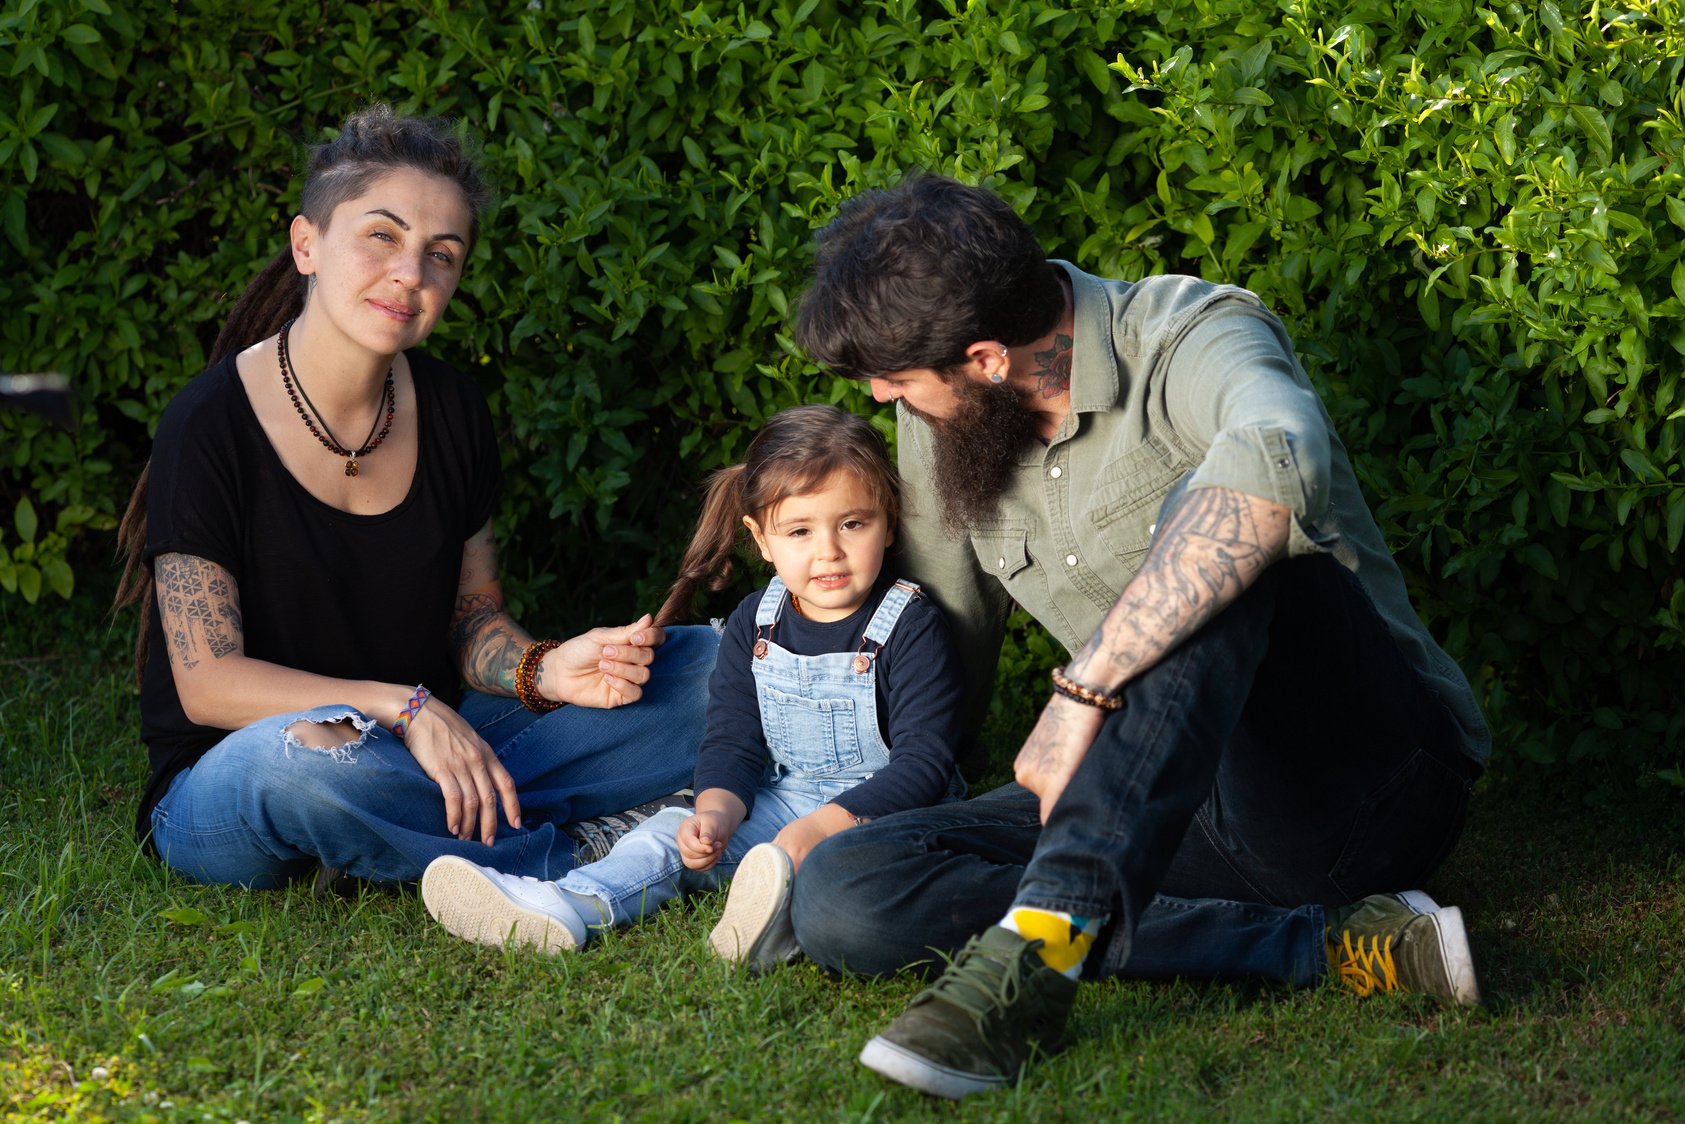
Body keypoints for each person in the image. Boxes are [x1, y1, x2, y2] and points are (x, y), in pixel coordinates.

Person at [787, 173, 1492, 1099]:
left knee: (1222, 521)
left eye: (896, 377)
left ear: (988, 357)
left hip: (1353, 789)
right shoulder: (944, 417)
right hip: (1143, 813)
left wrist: (1086, 684)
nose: (882, 398)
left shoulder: (1188, 334)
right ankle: (1332, 944)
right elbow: (932, 641)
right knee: (847, 890)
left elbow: (1281, 455)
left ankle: (1043, 943)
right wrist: (799, 797)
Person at [112, 105, 718, 891]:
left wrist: (549, 670)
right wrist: (406, 707)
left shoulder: (453, 409)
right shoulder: (210, 423)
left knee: (710, 667)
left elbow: (472, 622)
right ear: (307, 244)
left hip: (430, 740)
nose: (411, 274)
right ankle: (583, 855)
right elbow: (209, 683)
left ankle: (432, 825)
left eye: (442, 255)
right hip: (246, 773)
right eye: (382, 236)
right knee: (303, 764)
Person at [418, 404, 964, 969]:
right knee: (667, 834)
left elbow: (924, 765)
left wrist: (818, 829)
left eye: (853, 524)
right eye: (800, 530)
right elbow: (733, 740)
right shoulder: (758, 621)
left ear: (889, 521)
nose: (828, 550)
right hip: (785, 800)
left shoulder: (909, 623)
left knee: (834, 867)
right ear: (761, 539)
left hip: (887, 811)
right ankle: (569, 903)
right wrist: (717, 813)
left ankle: (778, 923)